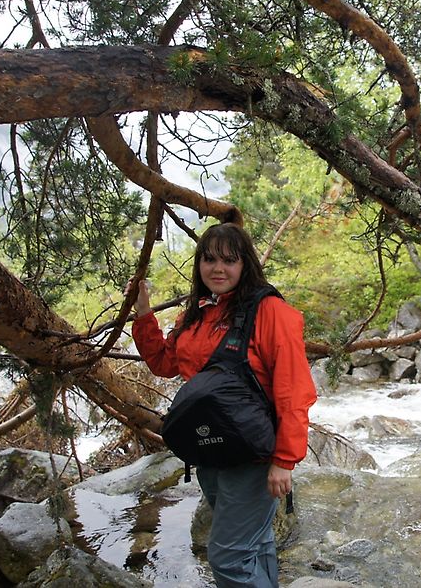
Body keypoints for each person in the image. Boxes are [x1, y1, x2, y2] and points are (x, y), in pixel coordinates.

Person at [129, 223, 317, 588]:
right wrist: (143, 314)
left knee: (228, 557)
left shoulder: (271, 312)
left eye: (229, 260)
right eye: (210, 259)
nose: (219, 268)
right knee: (255, 544)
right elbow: (165, 363)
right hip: (211, 451)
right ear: (199, 264)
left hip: (254, 456)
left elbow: (294, 389)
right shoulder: (199, 313)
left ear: (245, 264)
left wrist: (284, 460)